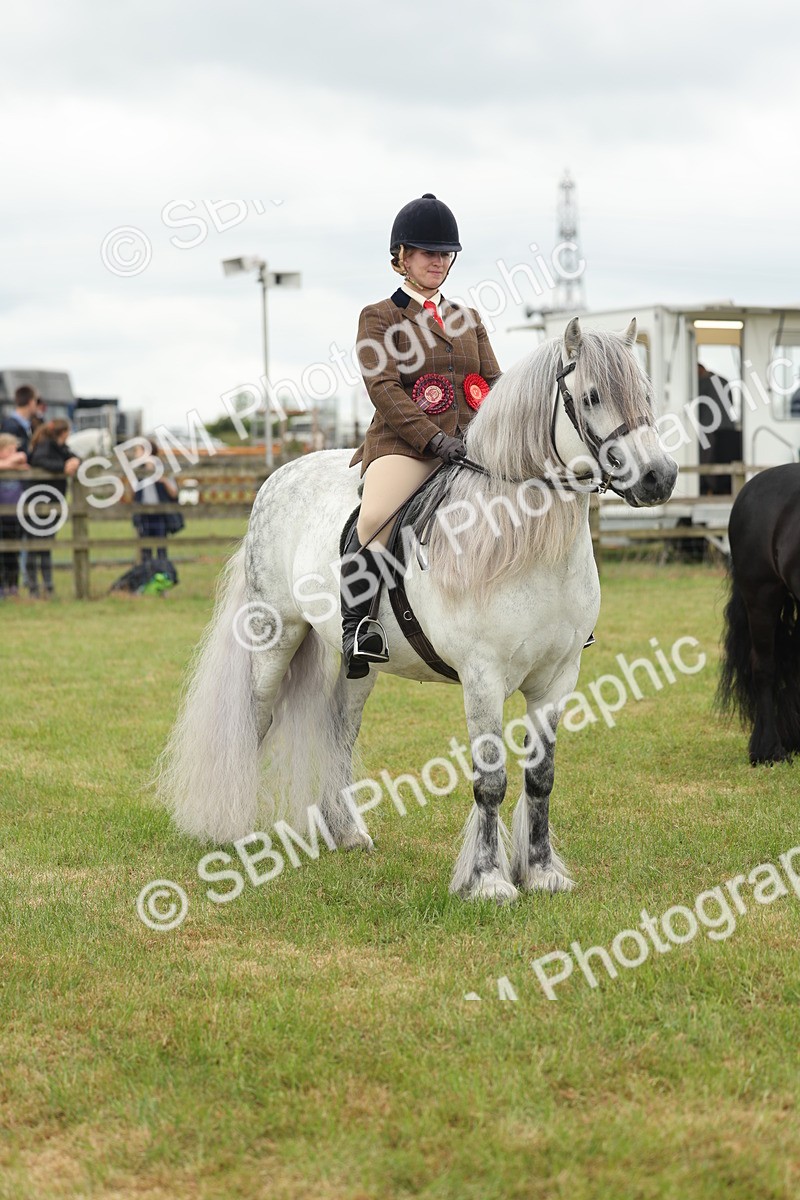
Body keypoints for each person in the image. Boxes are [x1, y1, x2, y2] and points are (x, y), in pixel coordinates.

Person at [342, 193, 502, 678]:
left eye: (444, 253)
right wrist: (433, 441)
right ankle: (359, 625)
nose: (438, 261)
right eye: (427, 252)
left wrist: (499, 434)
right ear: (402, 257)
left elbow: (494, 383)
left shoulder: (468, 318)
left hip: (472, 444)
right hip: (406, 445)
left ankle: (553, 618)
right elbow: (384, 388)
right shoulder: (379, 317)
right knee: (375, 519)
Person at [25, 419, 80, 597]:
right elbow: (38, 461)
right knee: (36, 546)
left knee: (45, 545)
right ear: (62, 432)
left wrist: (75, 462)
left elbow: (73, 456)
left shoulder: (59, 447)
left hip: (51, 502)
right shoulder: (45, 446)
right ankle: (36, 587)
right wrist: (63, 467)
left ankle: (47, 586)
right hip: (39, 503)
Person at [130, 438, 182, 567]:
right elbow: (132, 494)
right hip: (143, 515)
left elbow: (174, 492)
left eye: (138, 450)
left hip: (160, 514)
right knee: (145, 551)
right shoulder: (137, 472)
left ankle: (162, 576)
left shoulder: (163, 469)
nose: (135, 453)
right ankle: (146, 577)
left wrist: (163, 480)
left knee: (161, 550)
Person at [0, 433, 29, 597]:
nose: (14, 452)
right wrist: (10, 465)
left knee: (13, 554)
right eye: (9, 449)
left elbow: (22, 457)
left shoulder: (17, 458)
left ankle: (13, 586)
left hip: (15, 517)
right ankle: (2, 587)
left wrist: (9, 463)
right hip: (1, 518)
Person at [0, 385, 40, 457]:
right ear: (30, 402)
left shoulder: (27, 425)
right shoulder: (11, 427)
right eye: (35, 401)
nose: (36, 405)